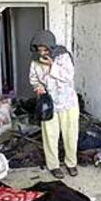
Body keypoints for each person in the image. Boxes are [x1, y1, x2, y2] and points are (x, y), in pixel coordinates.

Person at [29, 30, 79, 179]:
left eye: (45, 49)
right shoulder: (35, 61)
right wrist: (38, 87)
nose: (42, 52)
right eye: (39, 49)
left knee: (70, 135)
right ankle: (54, 166)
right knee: (50, 136)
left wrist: (52, 66)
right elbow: (33, 79)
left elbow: (68, 76)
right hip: (49, 104)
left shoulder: (63, 56)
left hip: (68, 102)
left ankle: (71, 163)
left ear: (51, 46)